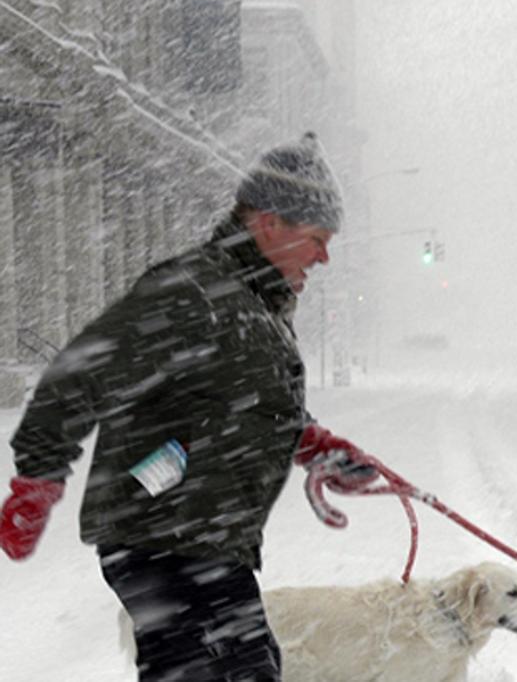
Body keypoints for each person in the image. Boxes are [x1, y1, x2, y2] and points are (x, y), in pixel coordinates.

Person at [0, 132, 382, 681]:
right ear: (270, 223)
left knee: (235, 669)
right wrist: (36, 480)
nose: (325, 256)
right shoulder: (191, 292)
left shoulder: (254, 305)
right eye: (317, 238)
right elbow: (76, 376)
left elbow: (243, 405)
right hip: (160, 532)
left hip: (199, 535)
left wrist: (313, 444)